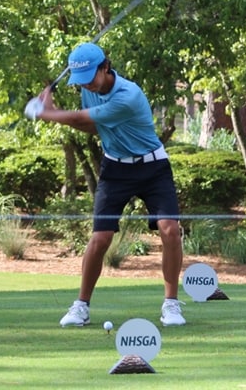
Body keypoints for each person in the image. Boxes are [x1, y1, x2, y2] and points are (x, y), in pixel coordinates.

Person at [32, 42, 185, 328]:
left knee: (170, 229)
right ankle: (81, 306)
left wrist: (48, 112)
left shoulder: (128, 95)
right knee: (100, 238)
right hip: (115, 169)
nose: (86, 85)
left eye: (90, 77)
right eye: (81, 81)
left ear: (105, 68)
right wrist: (54, 113)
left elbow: (80, 118)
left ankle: (171, 304)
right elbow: (92, 126)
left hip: (153, 167)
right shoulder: (89, 91)